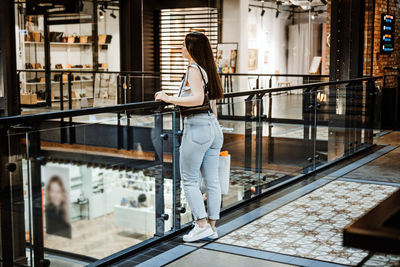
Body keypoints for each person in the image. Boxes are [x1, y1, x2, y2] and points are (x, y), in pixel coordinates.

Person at [155, 32, 224, 242]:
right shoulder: (207, 70)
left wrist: (169, 98)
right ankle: (211, 226)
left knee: (189, 179)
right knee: (212, 180)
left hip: (197, 127)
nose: (182, 49)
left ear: (192, 49)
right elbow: (212, 104)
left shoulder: (194, 69)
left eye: (184, 46)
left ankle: (201, 224)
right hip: (213, 127)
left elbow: (197, 98)